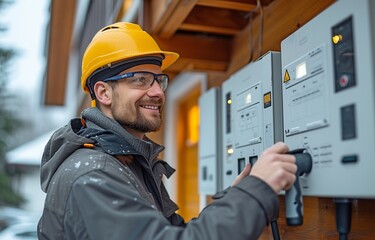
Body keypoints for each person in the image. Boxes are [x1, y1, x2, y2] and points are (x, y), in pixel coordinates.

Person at [38, 22, 297, 240]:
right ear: (104, 93)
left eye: (159, 79)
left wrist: (236, 197)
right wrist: (255, 191)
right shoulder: (94, 174)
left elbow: (172, 233)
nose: (158, 92)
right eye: (140, 79)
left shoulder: (127, 162)